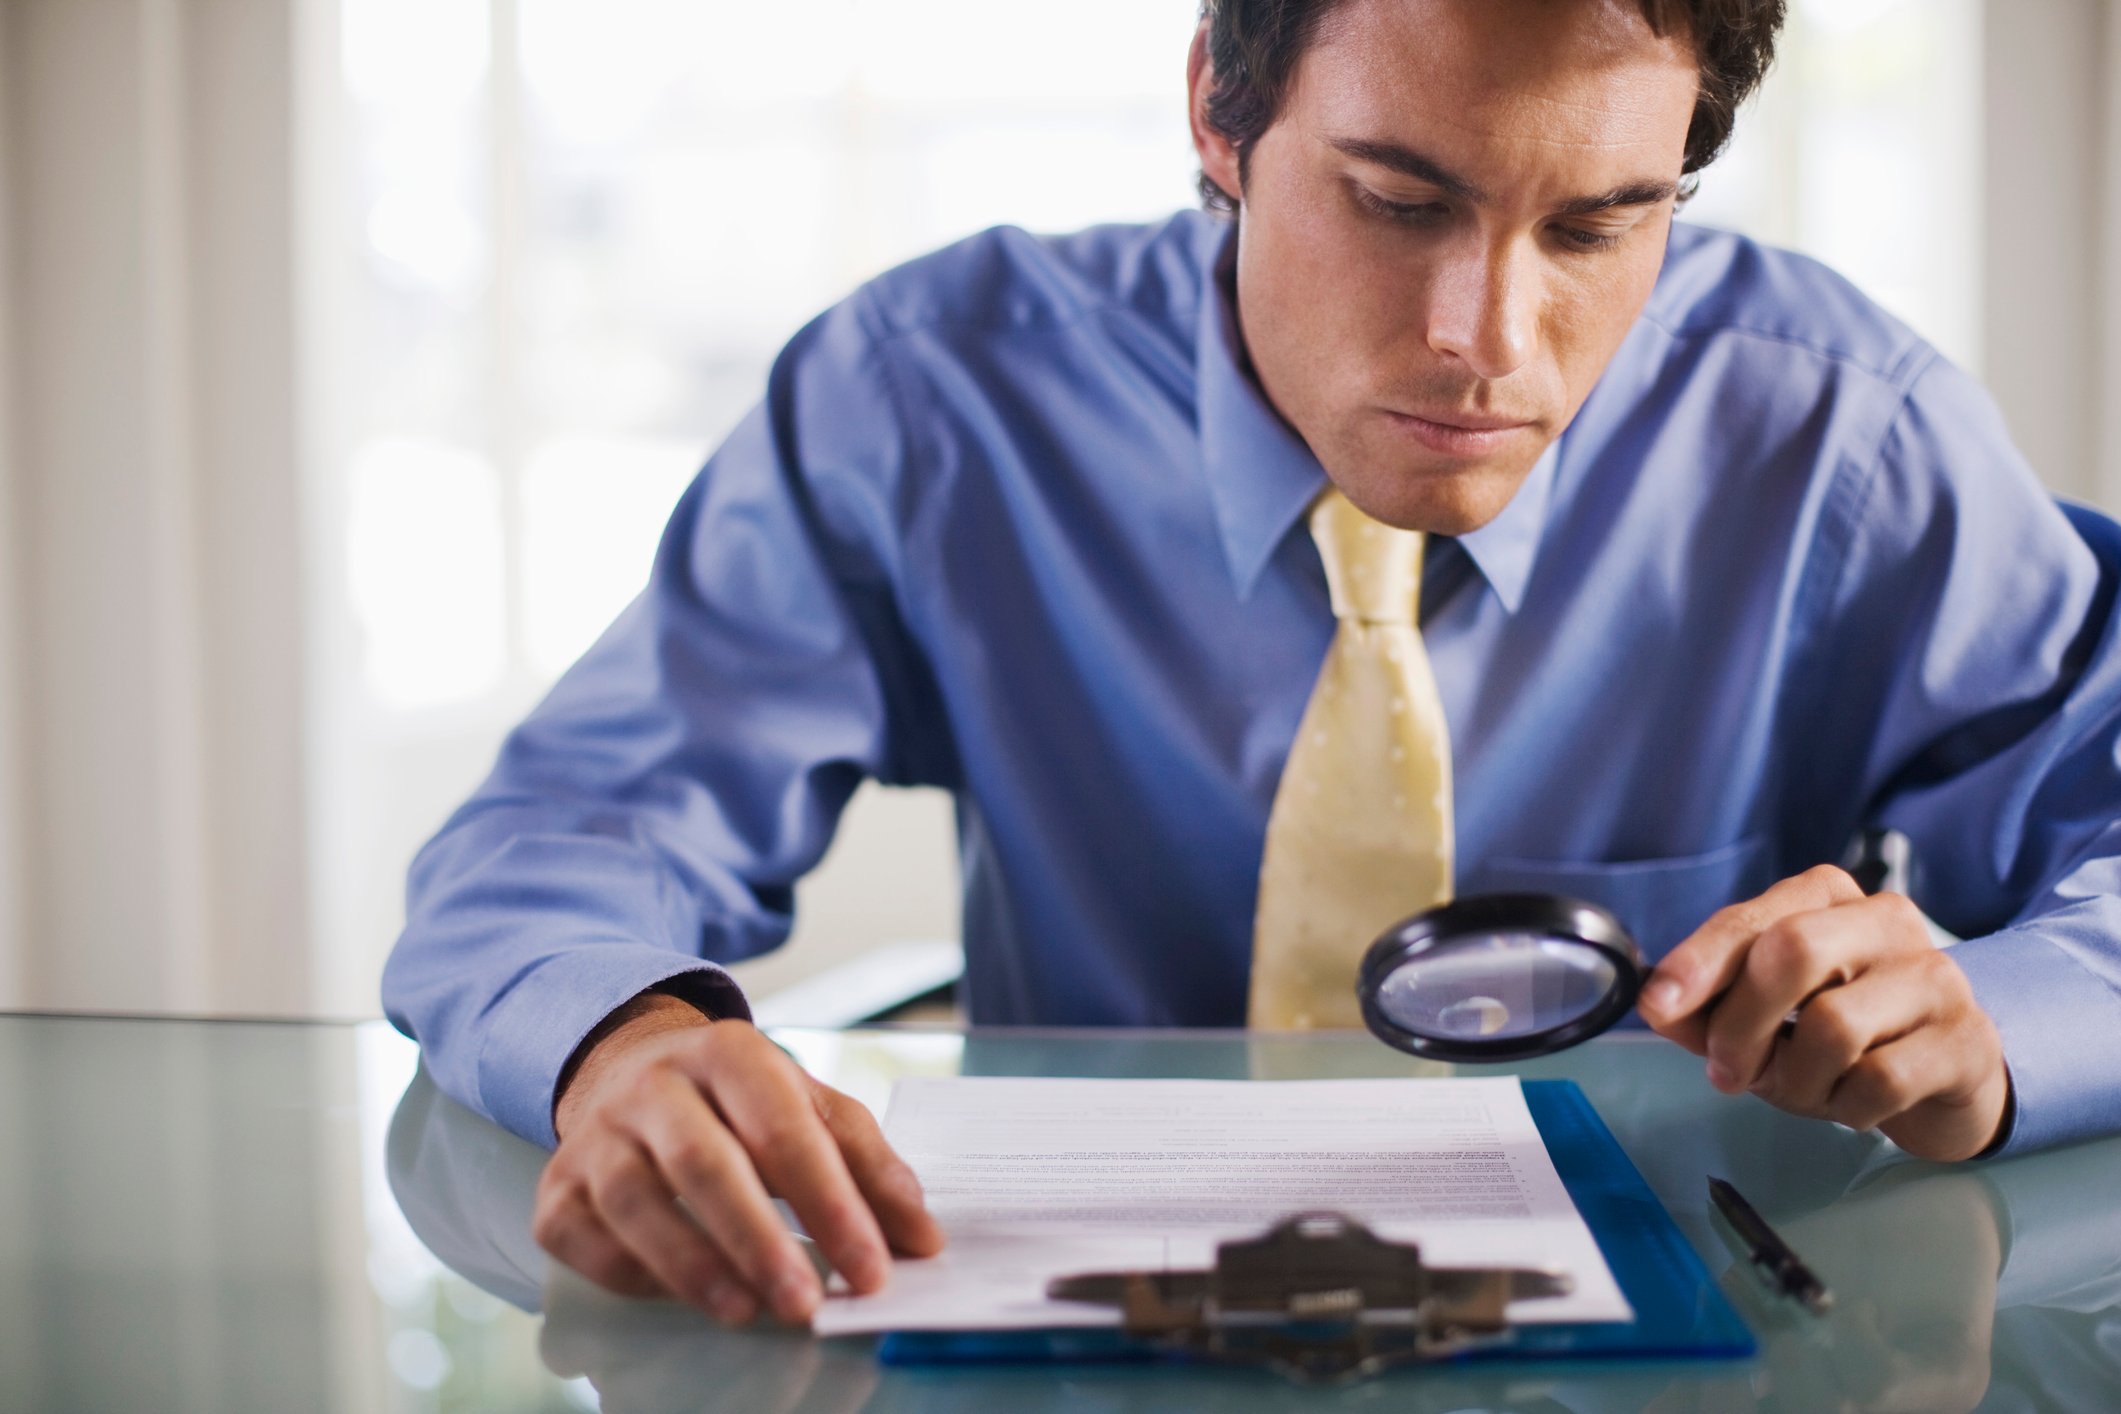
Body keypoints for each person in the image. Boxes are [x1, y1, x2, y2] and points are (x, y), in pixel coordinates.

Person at [382, 0, 2121, 1331]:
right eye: (1394, 199)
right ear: (1219, 108)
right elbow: (565, 832)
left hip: (1703, 1326)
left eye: (1596, 228)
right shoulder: (926, 401)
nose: (1486, 342)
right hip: (1072, 1333)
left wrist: (1987, 1027)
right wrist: (621, 1034)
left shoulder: (1841, 439)